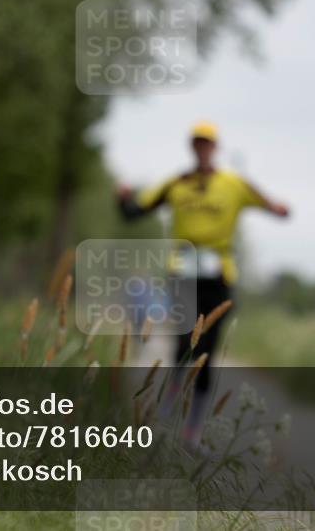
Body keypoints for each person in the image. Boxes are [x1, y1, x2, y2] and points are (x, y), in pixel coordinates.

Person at [116, 120, 290, 443]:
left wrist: (280, 208)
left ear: (215, 147)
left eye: (207, 143)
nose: (202, 148)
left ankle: (192, 429)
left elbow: (275, 207)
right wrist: (122, 197)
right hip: (182, 268)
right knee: (184, 343)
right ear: (191, 147)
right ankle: (166, 410)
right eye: (197, 142)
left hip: (218, 274)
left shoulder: (234, 184)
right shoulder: (175, 183)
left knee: (206, 351)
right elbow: (132, 212)